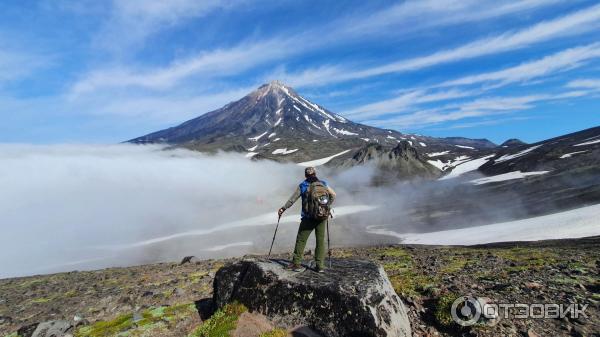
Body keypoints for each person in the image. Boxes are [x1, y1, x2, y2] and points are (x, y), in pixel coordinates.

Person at [278, 166, 336, 272]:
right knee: (320, 241)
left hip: (308, 218)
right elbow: (333, 195)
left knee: (301, 240)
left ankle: (296, 263)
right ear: (315, 174)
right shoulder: (323, 183)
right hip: (322, 217)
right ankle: (320, 266)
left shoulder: (303, 185)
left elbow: (292, 200)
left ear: (305, 175)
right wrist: (327, 206)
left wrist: (283, 208)